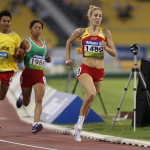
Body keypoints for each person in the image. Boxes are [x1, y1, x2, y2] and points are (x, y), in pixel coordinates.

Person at [65, 5, 116, 142]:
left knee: (90, 100)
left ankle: (78, 127)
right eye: (95, 15)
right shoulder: (81, 31)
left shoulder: (105, 32)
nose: (98, 18)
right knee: (91, 93)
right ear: (89, 17)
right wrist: (68, 58)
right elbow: (69, 42)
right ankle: (79, 123)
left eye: (100, 16)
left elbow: (114, 53)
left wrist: (106, 48)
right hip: (85, 68)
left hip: (99, 71)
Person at [16, 20, 51, 134]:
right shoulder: (26, 42)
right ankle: (22, 97)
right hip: (27, 74)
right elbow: (19, 60)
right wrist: (20, 54)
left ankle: (35, 124)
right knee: (26, 103)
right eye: (35, 27)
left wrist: (47, 59)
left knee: (39, 99)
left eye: (40, 28)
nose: (37, 29)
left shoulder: (44, 42)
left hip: (39, 75)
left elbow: (40, 57)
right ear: (30, 29)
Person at [0, 10, 24, 101]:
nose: (6, 23)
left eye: (8, 21)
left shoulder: (16, 37)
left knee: (1, 97)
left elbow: (19, 60)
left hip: (8, 70)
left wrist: (20, 54)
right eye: (4, 21)